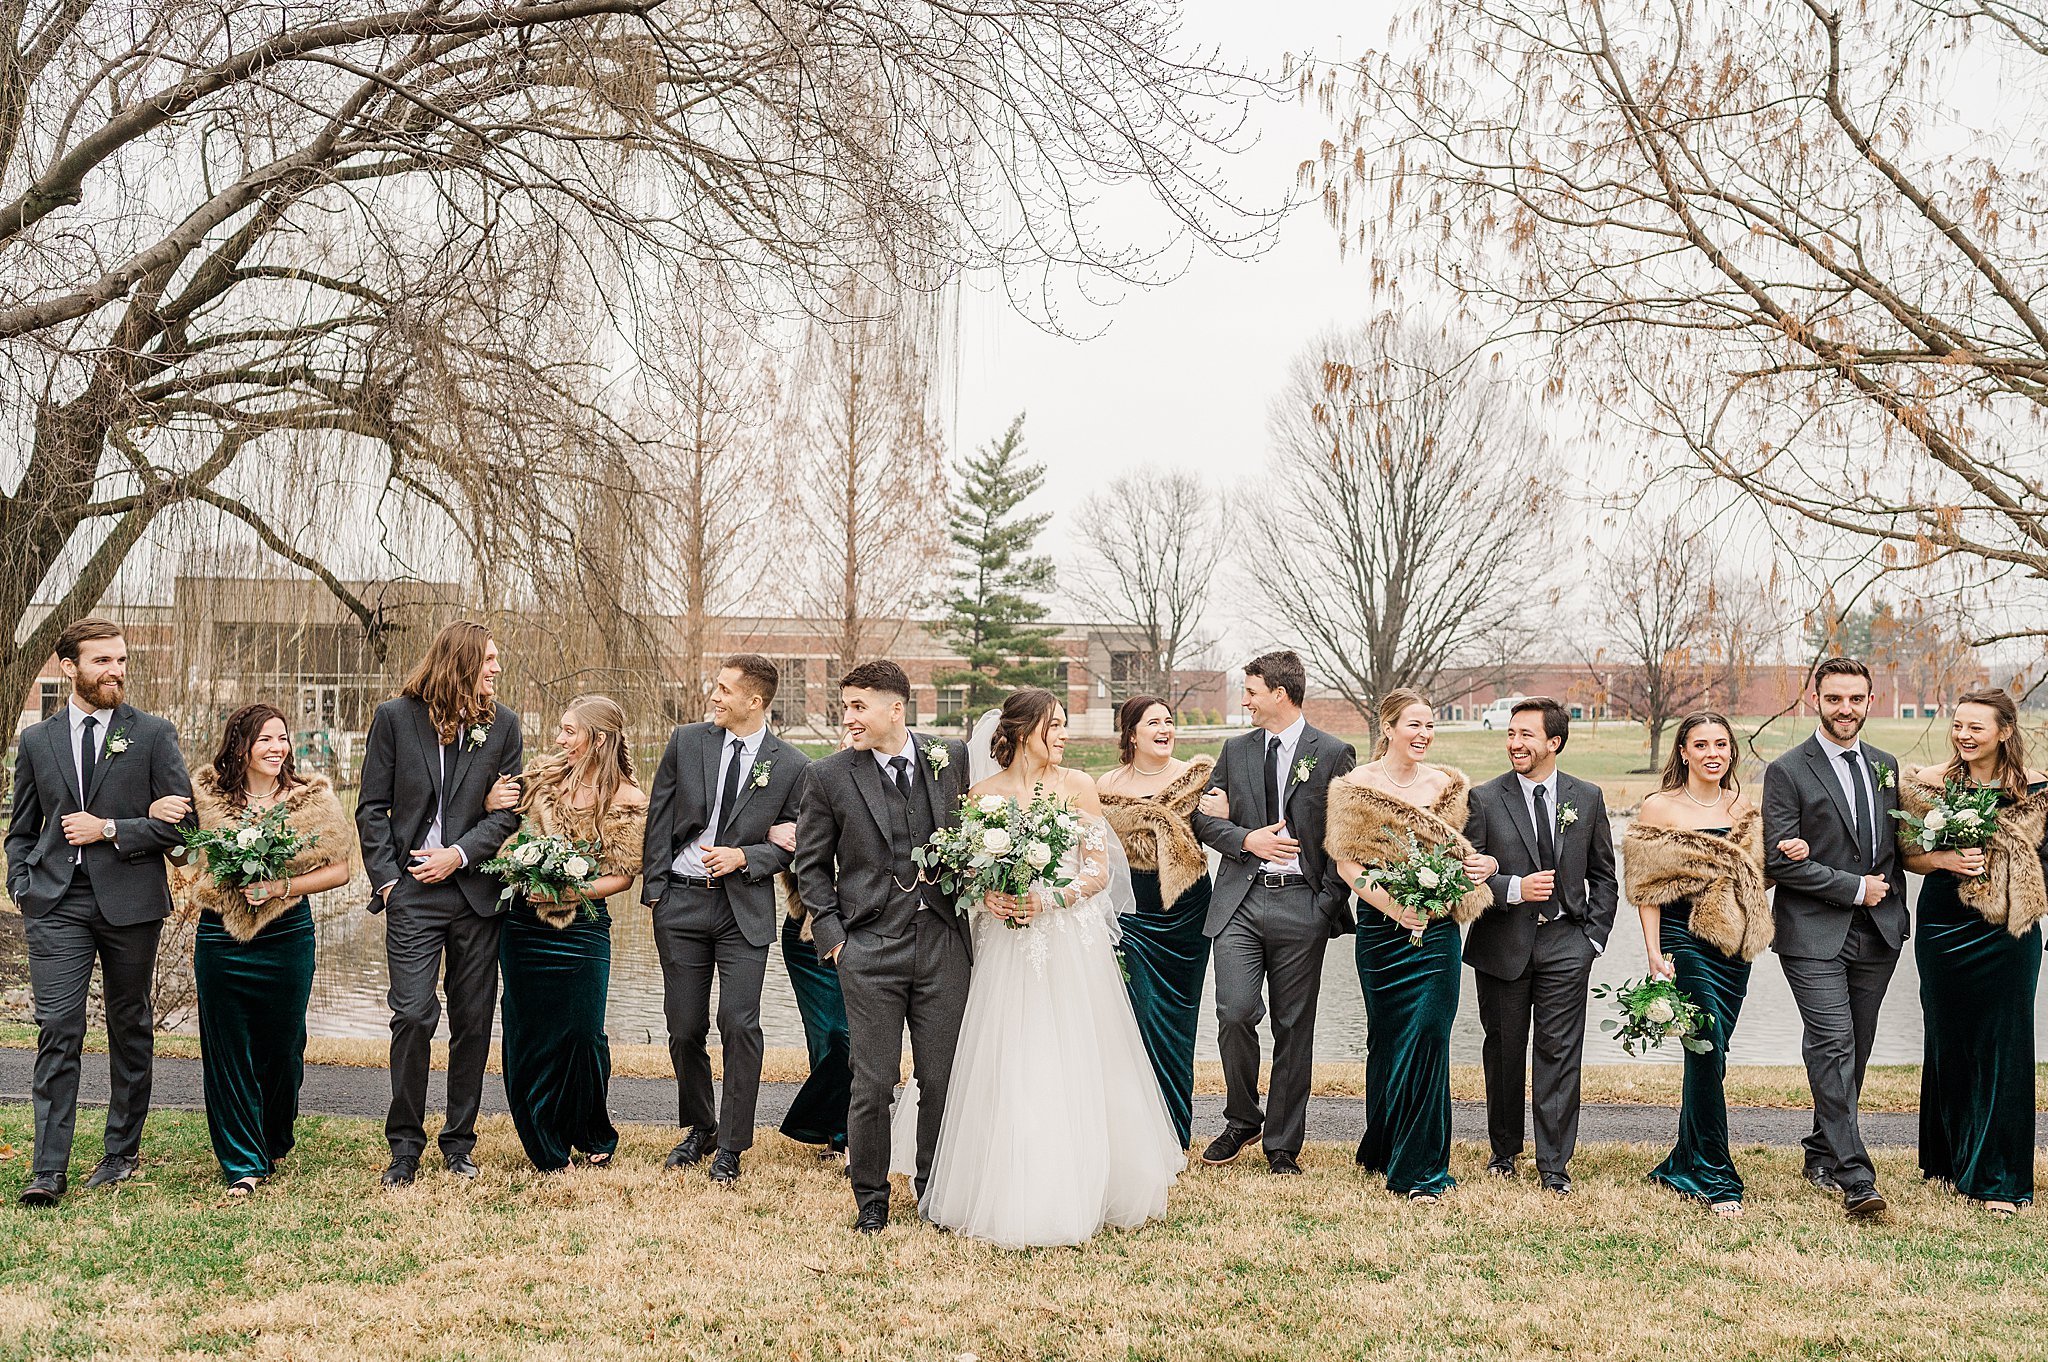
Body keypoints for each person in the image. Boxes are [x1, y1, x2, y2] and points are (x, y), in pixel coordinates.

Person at [910, 690, 1183, 1246]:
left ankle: (1091, 1178)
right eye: (1053, 726)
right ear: (1021, 731)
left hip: (1067, 942)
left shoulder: (1078, 787)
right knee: (1011, 1051)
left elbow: (1099, 871)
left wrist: (1052, 899)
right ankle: (1008, 1180)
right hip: (1005, 946)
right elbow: (967, 875)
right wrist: (988, 897)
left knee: (1077, 1052)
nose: (1062, 735)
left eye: (1063, 726)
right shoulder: (981, 796)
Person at [7, 618, 193, 1206]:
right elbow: (21, 828)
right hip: (55, 902)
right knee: (58, 1027)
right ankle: (48, 1168)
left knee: (129, 1025)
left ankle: (120, 1152)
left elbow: (185, 827)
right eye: (101, 662)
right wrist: (20, 882)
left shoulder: (153, 735)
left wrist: (114, 828)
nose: (115, 671)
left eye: (120, 660)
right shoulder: (37, 741)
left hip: (130, 902)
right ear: (70, 667)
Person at [793, 660, 971, 1233]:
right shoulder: (828, 775)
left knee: (941, 1078)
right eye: (845, 706)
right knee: (872, 1081)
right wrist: (833, 938)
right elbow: (811, 866)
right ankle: (870, 1198)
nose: (848, 717)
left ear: (896, 708)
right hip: (869, 947)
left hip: (943, 942)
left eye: (858, 706)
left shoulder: (951, 759)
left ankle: (934, 1190)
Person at [355, 620, 524, 1187]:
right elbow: (372, 807)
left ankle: (459, 1144)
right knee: (411, 1014)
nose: (497, 669)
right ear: (461, 662)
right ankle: (404, 1146)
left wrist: (459, 854)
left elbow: (508, 814)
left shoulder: (504, 726)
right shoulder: (395, 719)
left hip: (475, 893)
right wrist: (386, 882)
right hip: (412, 895)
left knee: (474, 1021)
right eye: (489, 660)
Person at [641, 655, 808, 1183]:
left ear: (754, 702)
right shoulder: (687, 742)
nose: (713, 697)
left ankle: (732, 1145)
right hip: (682, 903)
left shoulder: (792, 766)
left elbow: (794, 843)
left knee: (740, 1023)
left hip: (744, 908)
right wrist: (656, 893)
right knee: (684, 1027)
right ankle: (699, 1125)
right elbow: (659, 816)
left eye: (723, 690)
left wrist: (747, 857)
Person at [1190, 650, 1356, 1174]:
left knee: (1293, 1024)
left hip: (1302, 905)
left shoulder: (1333, 753)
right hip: (1240, 900)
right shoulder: (1235, 750)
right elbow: (1199, 819)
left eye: (1252, 692)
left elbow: (1345, 834)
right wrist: (1246, 839)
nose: (1246, 701)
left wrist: (1325, 901)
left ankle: (1282, 1143)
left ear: (1279, 695)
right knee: (1234, 1012)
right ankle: (1243, 1117)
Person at [1325, 687, 1494, 1201]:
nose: (1423, 735)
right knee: (1388, 1036)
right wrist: (1398, 908)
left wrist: (1479, 869)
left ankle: (1420, 1169)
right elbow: (1347, 864)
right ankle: (1384, 1143)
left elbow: (1472, 857)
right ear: (1389, 728)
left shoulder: (1449, 787)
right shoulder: (1357, 785)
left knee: (1428, 1035)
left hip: (1438, 931)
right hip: (1381, 933)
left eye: (1431, 726)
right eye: (1414, 725)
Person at [1626, 712, 1798, 1216]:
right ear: (1683, 752)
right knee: (1704, 1046)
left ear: (1731, 752)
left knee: (1713, 1054)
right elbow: (1645, 888)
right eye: (1700, 744)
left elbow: (1755, 879)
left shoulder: (1745, 807)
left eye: (1720, 744)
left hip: (1734, 946)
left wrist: (1787, 854)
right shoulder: (1660, 807)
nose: (1711, 753)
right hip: (1684, 938)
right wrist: (1655, 954)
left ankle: (1684, 1160)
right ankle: (1717, 1176)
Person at [1762, 656, 1908, 1218]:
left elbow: (1897, 847)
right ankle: (1856, 1177)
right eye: (1834, 699)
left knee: (1858, 1048)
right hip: (1812, 932)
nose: (1844, 709)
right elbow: (1781, 861)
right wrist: (1853, 888)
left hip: (1879, 931)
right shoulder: (1787, 771)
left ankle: (1822, 1152)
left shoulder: (1886, 765)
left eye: (1855, 699)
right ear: (1814, 701)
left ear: (1870, 701)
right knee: (1832, 1044)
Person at [187, 703, 354, 1196]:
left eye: (283, 738)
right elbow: (180, 851)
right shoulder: (208, 798)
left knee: (284, 1048)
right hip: (221, 936)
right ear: (241, 746)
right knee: (226, 1049)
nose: (278, 747)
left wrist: (282, 886)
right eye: (266, 739)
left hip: (286, 937)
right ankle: (241, 1163)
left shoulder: (312, 801)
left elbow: (341, 870)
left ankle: (273, 1135)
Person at [1461, 697, 1617, 1195]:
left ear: (1554, 742)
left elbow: (1604, 877)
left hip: (1568, 945)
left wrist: (1593, 938)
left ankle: (1554, 1164)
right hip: (1502, 944)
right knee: (1504, 1051)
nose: (1514, 744)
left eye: (1526, 735)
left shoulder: (1587, 797)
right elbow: (1465, 878)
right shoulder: (1483, 799)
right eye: (1510, 734)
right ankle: (1503, 1152)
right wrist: (1512, 888)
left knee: (1559, 1053)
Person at [484, 694, 646, 1173]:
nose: (559, 739)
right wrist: (493, 800)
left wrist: (573, 892)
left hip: (583, 932)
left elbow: (622, 875)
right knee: (528, 1031)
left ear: (597, 739)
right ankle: (545, 1144)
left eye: (569, 731)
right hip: (523, 928)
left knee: (582, 1034)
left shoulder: (628, 800)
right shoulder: (542, 779)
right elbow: (496, 809)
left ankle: (591, 1128)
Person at [1902, 688, 2045, 1215]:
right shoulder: (1931, 785)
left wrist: (2011, 877)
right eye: (1958, 726)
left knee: (2004, 1043)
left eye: (1975, 728)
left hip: (2008, 931)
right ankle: (1948, 1158)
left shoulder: (2038, 791)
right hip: (1944, 925)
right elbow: (1909, 858)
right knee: (1949, 1037)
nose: (1963, 735)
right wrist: (1943, 860)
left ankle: (1999, 1178)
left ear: (2004, 731)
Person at [1099, 695, 1215, 1149]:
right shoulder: (1105, 785)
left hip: (1185, 913)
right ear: (1131, 734)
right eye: (1154, 722)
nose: (1165, 728)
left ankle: (1174, 1131)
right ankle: (1139, 1133)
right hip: (1132, 914)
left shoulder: (1198, 781)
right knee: (1138, 1016)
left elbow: (1221, 831)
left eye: (1169, 721)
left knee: (1178, 1021)